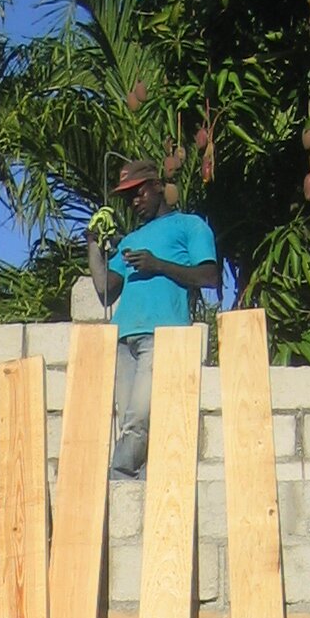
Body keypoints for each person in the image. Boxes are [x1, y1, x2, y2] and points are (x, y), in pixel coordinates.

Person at [85, 159, 219, 478]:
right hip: (123, 339)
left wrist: (158, 265)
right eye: (128, 197)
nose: (134, 201)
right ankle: (142, 486)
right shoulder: (130, 240)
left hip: (161, 334)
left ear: (158, 186)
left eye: (139, 192)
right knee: (132, 421)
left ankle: (117, 477)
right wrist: (92, 244)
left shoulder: (189, 226)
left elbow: (210, 276)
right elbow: (105, 290)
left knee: (139, 419)